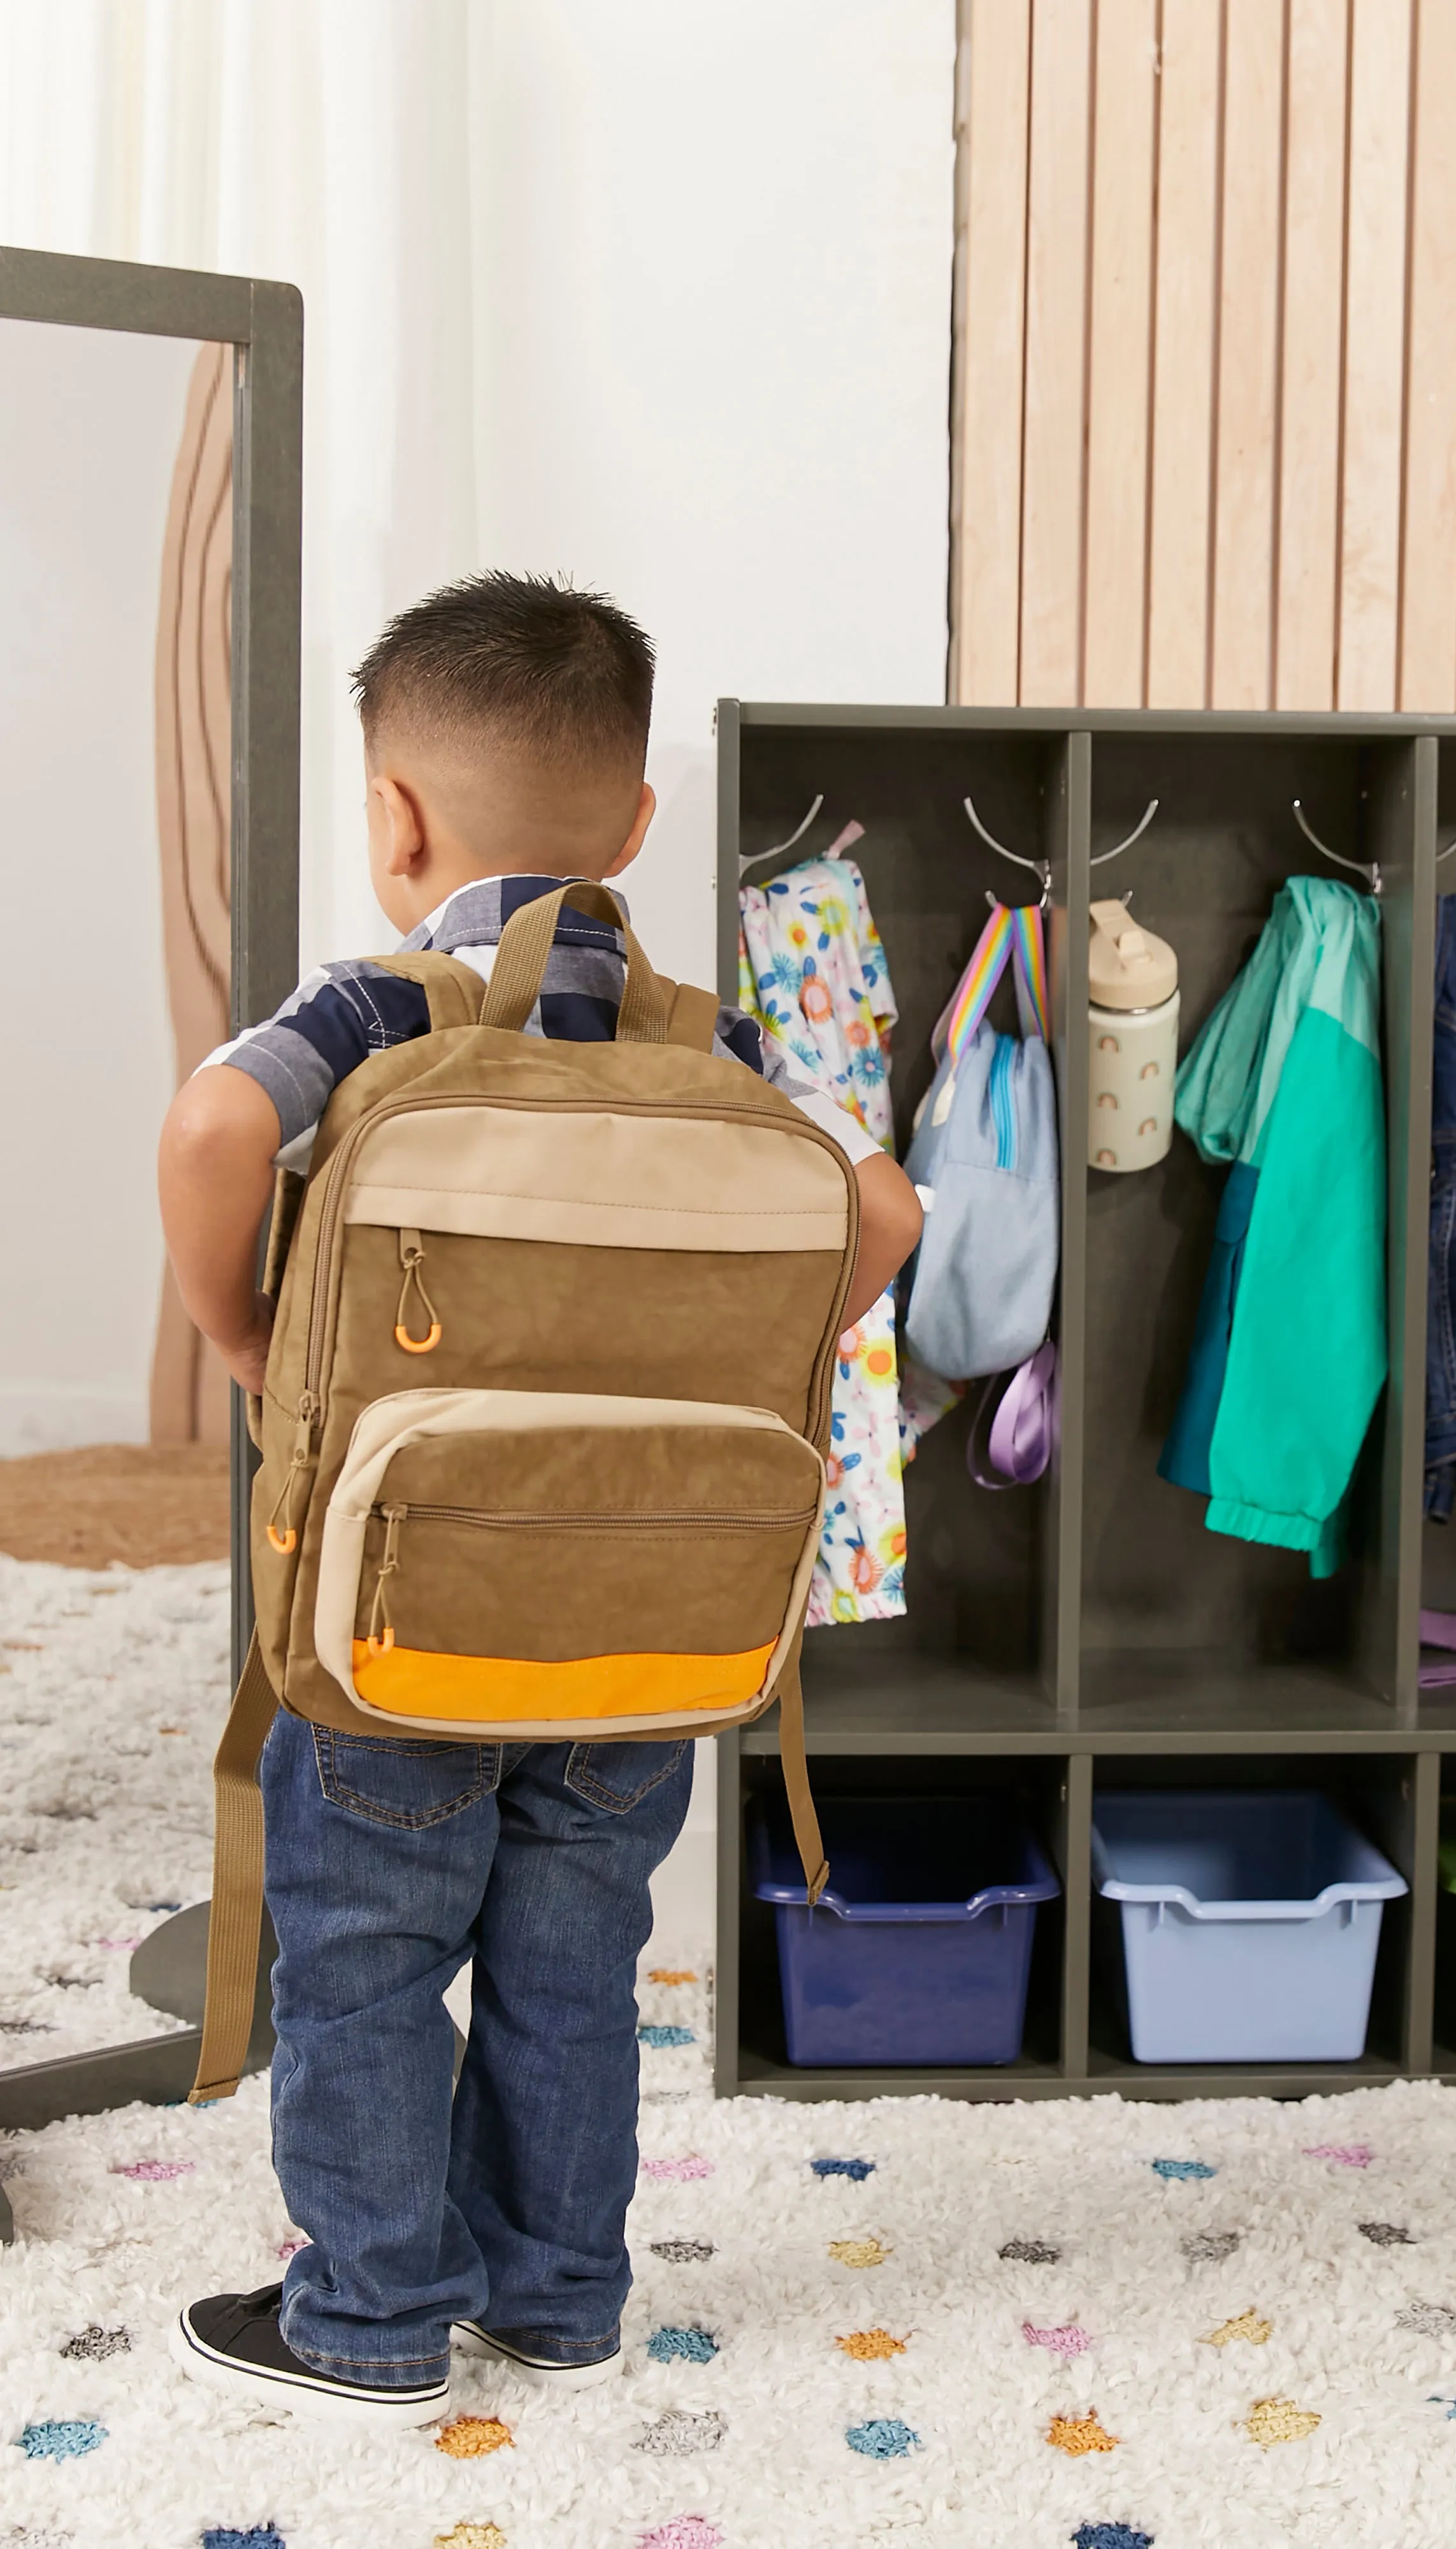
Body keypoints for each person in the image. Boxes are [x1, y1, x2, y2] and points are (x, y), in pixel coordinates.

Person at [155, 572, 922, 2423]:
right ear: (638, 827)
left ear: (397, 817)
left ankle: (369, 2316)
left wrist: (253, 1340)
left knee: (365, 1965)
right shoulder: (706, 1045)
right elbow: (882, 1209)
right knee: (576, 1964)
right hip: (647, 1625)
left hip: (403, 1626)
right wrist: (764, 1362)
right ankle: (563, 2299)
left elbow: (209, 1128)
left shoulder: (371, 1009)